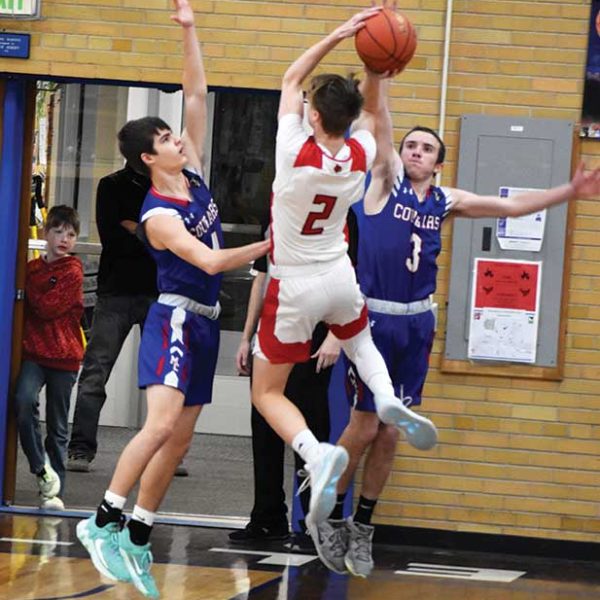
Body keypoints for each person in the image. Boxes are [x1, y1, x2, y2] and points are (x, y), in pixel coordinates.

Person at [310, 76, 600, 578]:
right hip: (373, 320)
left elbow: (510, 207)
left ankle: (364, 526)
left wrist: (569, 191)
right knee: (363, 424)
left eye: (427, 149)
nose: (416, 152)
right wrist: (377, 74)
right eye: (411, 146)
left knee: (391, 434)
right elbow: (380, 119)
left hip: (417, 322)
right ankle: (329, 516)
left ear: (439, 163)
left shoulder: (444, 201)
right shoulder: (383, 181)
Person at [76, 2, 269, 598]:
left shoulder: (195, 176)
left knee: (181, 437)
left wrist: (190, 30)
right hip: (176, 320)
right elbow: (209, 262)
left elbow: (198, 95)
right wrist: (270, 244)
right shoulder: (158, 216)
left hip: (206, 323)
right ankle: (101, 519)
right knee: (159, 426)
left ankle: (138, 531)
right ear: (147, 159)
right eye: (164, 139)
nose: (177, 138)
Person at [250, 4, 438, 552]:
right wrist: (377, 73)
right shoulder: (359, 154)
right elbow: (376, 121)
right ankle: (385, 397)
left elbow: (290, 77)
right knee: (359, 342)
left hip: (293, 284)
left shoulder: (293, 151)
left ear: (312, 115)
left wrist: (338, 33)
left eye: (309, 104)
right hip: (338, 273)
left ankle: (314, 451)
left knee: (267, 392)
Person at [229, 221, 341, 544]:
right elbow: (260, 277)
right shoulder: (277, 213)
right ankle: (267, 517)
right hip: (272, 328)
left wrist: (335, 335)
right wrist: (246, 336)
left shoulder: (337, 213)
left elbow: (351, 279)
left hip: (314, 329)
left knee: (310, 421)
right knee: (263, 421)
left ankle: (313, 522)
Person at [67, 164, 156, 473]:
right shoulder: (112, 185)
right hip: (116, 290)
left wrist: (134, 227)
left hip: (157, 291)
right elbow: (113, 239)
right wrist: (151, 234)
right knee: (95, 371)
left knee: (162, 379)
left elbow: (174, 239)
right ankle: (80, 448)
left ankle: (166, 452)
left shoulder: (168, 185)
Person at [14, 205, 84, 510]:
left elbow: (46, 307)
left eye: (70, 234)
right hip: (33, 353)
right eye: (58, 232)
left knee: (58, 427)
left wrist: (26, 291)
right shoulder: (30, 269)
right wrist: (27, 290)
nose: (64, 239)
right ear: (46, 234)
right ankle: (42, 471)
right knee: (23, 402)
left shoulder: (73, 271)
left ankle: (56, 493)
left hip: (64, 357)